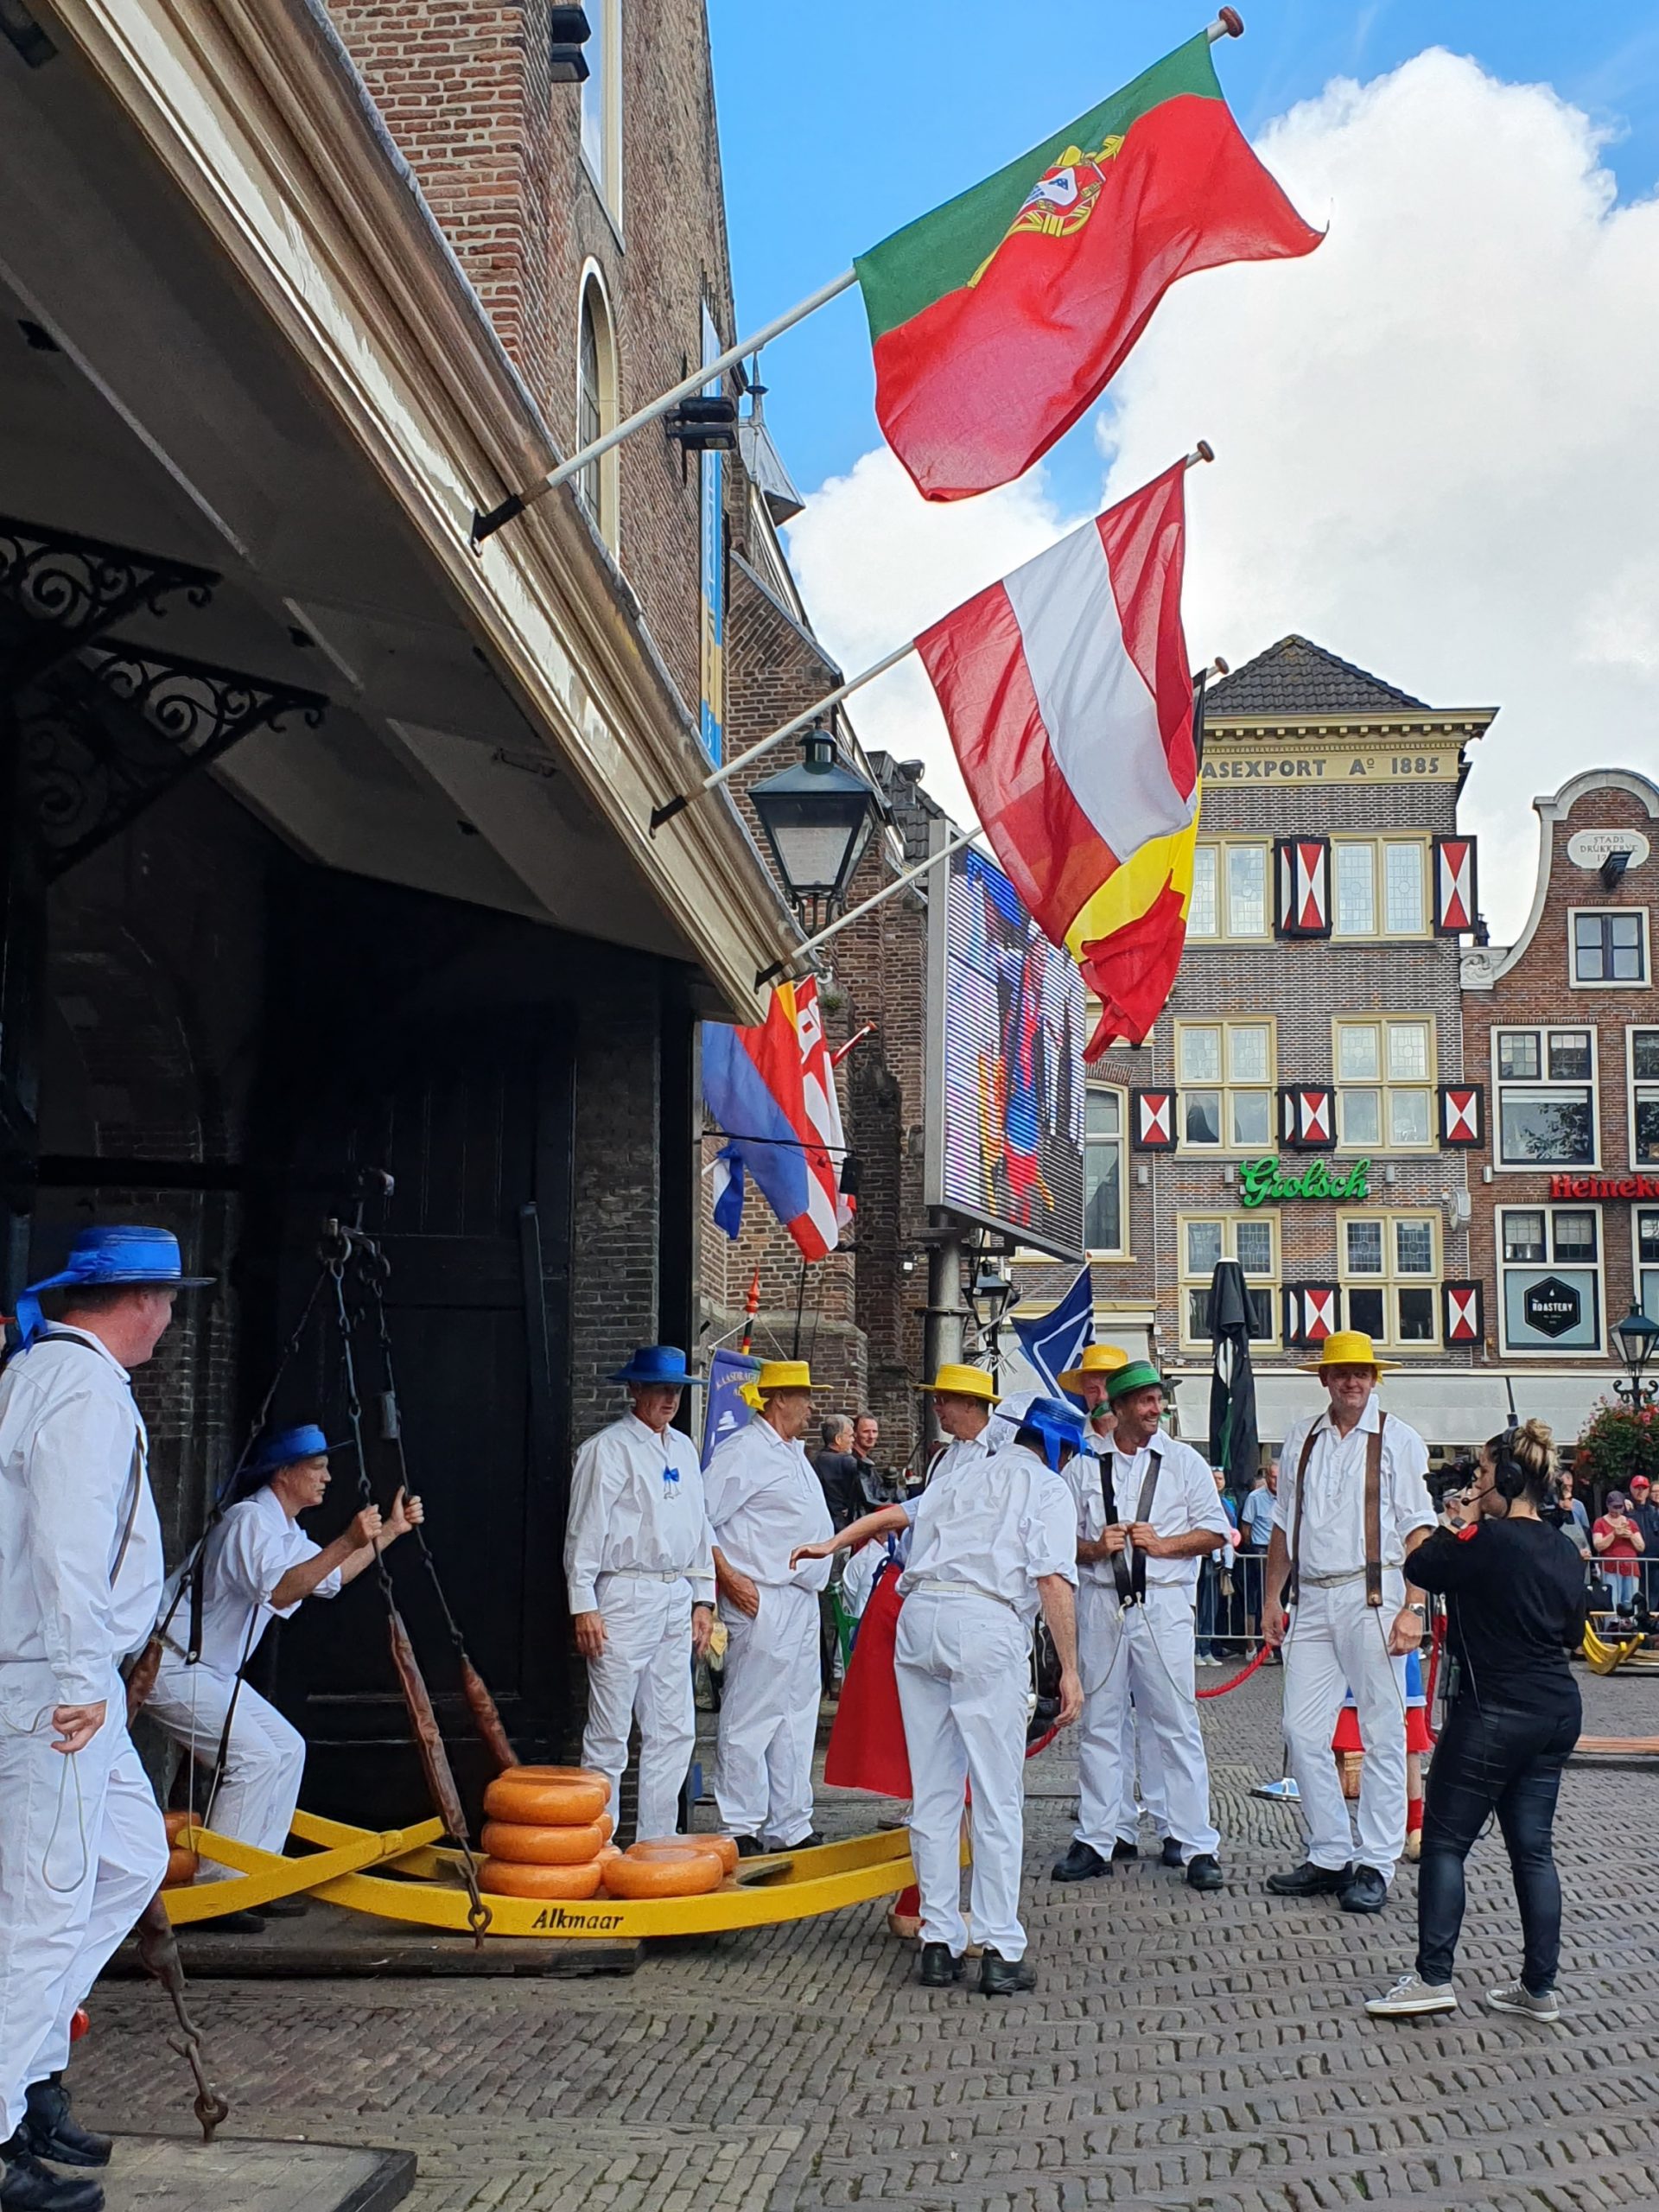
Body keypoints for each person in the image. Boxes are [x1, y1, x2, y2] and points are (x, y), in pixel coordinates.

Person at [0, 1226, 210, 2212]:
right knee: (42, 1915)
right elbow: (69, 1543)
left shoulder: (54, 1375)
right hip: (56, 1679)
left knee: (127, 1855)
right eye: (168, 1300)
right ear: (137, 1302)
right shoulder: (81, 1391)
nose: (171, 1320)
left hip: (59, 1673)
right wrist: (86, 1676)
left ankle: (30, 2067)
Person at [792, 1372, 1081, 1995]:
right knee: (998, 1793)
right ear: (1062, 1450)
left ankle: (939, 1941)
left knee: (935, 1790)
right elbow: (1053, 1580)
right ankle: (1001, 1947)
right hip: (984, 1622)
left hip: (920, 1619)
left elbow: (895, 1514)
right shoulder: (1047, 1488)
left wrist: (830, 1544)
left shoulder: (958, 1472)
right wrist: (1073, 1671)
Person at [146, 1424, 423, 1919]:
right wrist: (346, 1538)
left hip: (205, 1670)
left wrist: (389, 1535)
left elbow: (327, 1578)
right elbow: (282, 1591)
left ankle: (257, 1878)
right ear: (284, 1474)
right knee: (252, 1758)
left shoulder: (283, 1529)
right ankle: (220, 1891)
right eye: (316, 1467)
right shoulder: (249, 1520)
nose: (327, 1477)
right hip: (170, 1664)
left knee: (286, 1749)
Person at [1366, 1420, 1586, 2020]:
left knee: (1443, 1842)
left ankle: (1434, 1975)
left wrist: (1453, 1519)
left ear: (1510, 1479)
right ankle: (1538, 1986)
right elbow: (1571, 1633)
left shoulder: (1486, 1540)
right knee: (1533, 1851)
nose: (1476, 1484)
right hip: (1556, 1709)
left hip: (1495, 1708)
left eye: (1484, 1475)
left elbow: (1424, 1568)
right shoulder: (1565, 1549)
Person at [1264, 1331, 1435, 1916]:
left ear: (1374, 1378)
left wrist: (1414, 1606)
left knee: (1385, 1734)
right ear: (1325, 1379)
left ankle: (1376, 1860)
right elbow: (1284, 1528)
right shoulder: (1301, 1439)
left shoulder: (1399, 1440)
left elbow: (1419, 1530)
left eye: (1362, 1371)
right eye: (1342, 1372)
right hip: (1311, 1601)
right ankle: (1331, 1851)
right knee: (1301, 1731)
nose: (1353, 1380)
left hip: (1376, 1595)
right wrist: (1271, 1599)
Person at [1052, 1361, 1230, 1894]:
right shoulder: (1083, 1467)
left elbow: (1218, 1532)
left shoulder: (1184, 1463)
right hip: (1101, 1603)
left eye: (1160, 1400)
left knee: (1175, 1721)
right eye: (1147, 1401)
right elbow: (1054, 1544)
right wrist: (1091, 1548)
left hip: (1164, 1605)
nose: (1157, 1410)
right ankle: (1100, 1835)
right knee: (1101, 1721)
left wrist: (1165, 1545)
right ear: (1120, 1408)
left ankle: (1195, 1840)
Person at [563, 1348, 714, 1841]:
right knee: (609, 1732)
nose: (669, 1398)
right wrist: (583, 1601)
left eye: (675, 1390)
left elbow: (699, 1526)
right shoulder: (606, 1449)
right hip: (624, 1591)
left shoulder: (685, 1450)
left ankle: (657, 1843)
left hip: (674, 1591)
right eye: (659, 1388)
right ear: (635, 1390)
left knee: (674, 1728)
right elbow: (584, 1529)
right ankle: (597, 1845)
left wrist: (703, 1597)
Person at [704, 1359, 833, 1854]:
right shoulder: (742, 1453)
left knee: (797, 1712)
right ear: (779, 1399)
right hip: (763, 1593)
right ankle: (739, 1821)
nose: (810, 1405)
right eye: (802, 1395)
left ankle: (789, 1821)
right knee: (752, 1709)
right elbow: (700, 1518)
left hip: (800, 1598)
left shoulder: (793, 1454)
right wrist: (729, 1577)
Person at [1195, 1468, 1238, 1665]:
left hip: (1221, 1558)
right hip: (1206, 1560)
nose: (1217, 1482)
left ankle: (1208, 1647)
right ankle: (1199, 1648)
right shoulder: (1202, 1501)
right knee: (1202, 1606)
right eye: (1214, 1479)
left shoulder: (1227, 1503)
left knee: (1213, 1607)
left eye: (1220, 1479)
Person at [1592, 1490, 1644, 1611]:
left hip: (1630, 1568)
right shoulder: (1600, 1522)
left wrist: (1630, 1536)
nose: (1616, 1510)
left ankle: (1630, 1626)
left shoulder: (1631, 1523)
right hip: (1610, 1569)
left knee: (1631, 1604)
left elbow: (1641, 1546)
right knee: (1612, 1603)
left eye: (1620, 1507)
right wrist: (1614, 1534)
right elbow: (1598, 1545)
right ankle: (1612, 1626)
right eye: (1614, 1507)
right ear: (1608, 1506)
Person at [810, 1418, 862, 1532]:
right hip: (843, 1528)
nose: (853, 1440)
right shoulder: (848, 1462)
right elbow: (865, 1493)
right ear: (838, 1439)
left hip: (819, 1525)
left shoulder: (812, 1460)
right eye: (850, 1436)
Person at [851, 1412, 904, 1508]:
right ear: (855, 1433)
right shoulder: (854, 1462)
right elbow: (868, 1499)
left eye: (874, 1431)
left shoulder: (866, 1460)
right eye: (866, 1431)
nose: (871, 1436)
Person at [1624, 1473, 1659, 1606]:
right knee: (1635, 1597)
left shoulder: (1654, 1512)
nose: (1640, 1491)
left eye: (1643, 1488)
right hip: (1633, 1562)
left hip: (1654, 1563)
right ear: (1631, 1489)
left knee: (1654, 1598)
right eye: (1637, 1487)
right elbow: (1612, 1499)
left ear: (1648, 1490)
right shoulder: (1625, 1510)